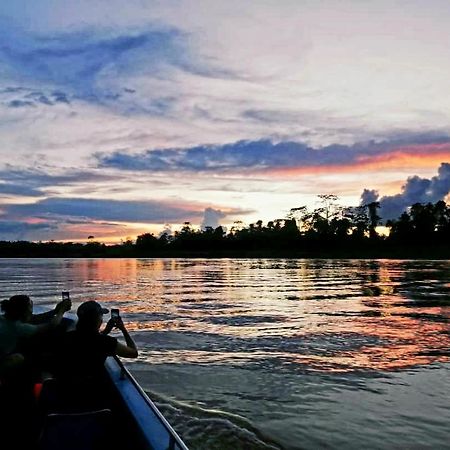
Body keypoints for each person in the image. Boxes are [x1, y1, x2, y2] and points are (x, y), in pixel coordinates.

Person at [55, 300, 138, 381]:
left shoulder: (66, 337)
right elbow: (133, 353)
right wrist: (123, 329)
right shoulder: (106, 342)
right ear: (98, 320)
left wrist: (106, 331)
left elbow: (88, 340)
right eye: (101, 316)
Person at [0, 294, 71, 380]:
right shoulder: (18, 327)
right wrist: (62, 311)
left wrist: (55, 311)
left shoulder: (4, 319)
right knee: (20, 358)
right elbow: (52, 325)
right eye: (30, 307)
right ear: (23, 311)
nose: (31, 311)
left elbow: (33, 318)